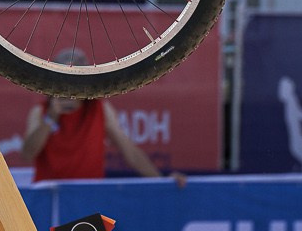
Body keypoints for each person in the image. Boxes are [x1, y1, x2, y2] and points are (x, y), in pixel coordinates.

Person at [19, 52, 185, 184]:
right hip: (50, 200)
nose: (68, 89)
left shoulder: (99, 108)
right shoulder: (40, 112)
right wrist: (51, 118)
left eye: (73, 81)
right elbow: (27, 154)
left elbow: (130, 152)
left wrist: (161, 182)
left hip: (90, 197)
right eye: (62, 82)